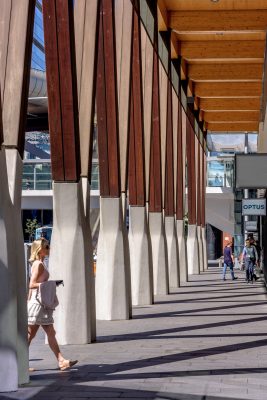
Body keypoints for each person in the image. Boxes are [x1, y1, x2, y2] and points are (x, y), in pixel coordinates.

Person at [28, 238, 78, 371]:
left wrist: (51, 284)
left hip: (41, 305)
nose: (49, 249)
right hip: (38, 305)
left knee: (50, 332)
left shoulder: (41, 264)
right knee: (30, 335)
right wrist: (50, 284)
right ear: (40, 249)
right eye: (47, 247)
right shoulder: (38, 264)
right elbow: (31, 284)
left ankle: (61, 361)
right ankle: (19, 363)